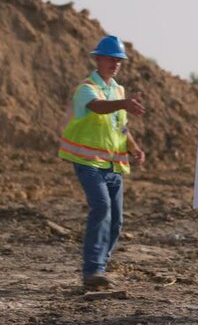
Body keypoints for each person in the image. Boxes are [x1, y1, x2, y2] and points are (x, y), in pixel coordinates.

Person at [58, 35, 146, 291]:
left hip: (112, 165)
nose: (115, 64)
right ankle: (92, 270)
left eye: (118, 60)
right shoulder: (87, 88)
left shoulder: (118, 90)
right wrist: (124, 104)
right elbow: (98, 108)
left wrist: (135, 147)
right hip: (87, 162)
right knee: (101, 207)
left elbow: (121, 125)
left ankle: (99, 268)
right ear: (97, 59)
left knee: (116, 220)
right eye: (110, 59)